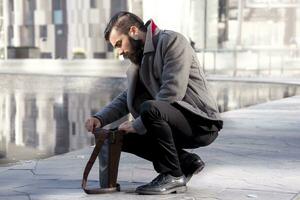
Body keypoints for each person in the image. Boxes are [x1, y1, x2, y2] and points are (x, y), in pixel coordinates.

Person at [85, 11, 223, 195]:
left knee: (149, 109)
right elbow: (127, 98)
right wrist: (100, 118)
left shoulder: (172, 42)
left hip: (201, 123)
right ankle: (185, 162)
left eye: (119, 44)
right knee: (116, 137)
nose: (119, 52)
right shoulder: (139, 61)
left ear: (133, 31)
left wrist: (137, 124)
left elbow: (172, 92)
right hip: (171, 119)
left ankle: (173, 175)